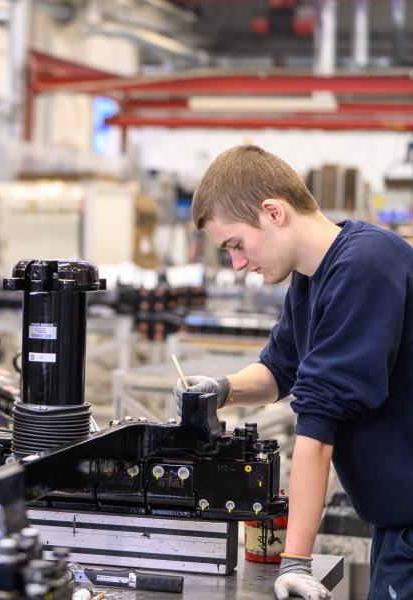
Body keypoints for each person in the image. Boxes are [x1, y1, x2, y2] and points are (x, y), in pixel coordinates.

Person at [173, 145, 413, 600]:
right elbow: (277, 370)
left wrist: (297, 561)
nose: (237, 263)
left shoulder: (365, 265)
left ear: (273, 212)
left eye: (236, 245)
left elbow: (317, 424)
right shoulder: (311, 277)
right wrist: (220, 390)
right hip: (396, 522)